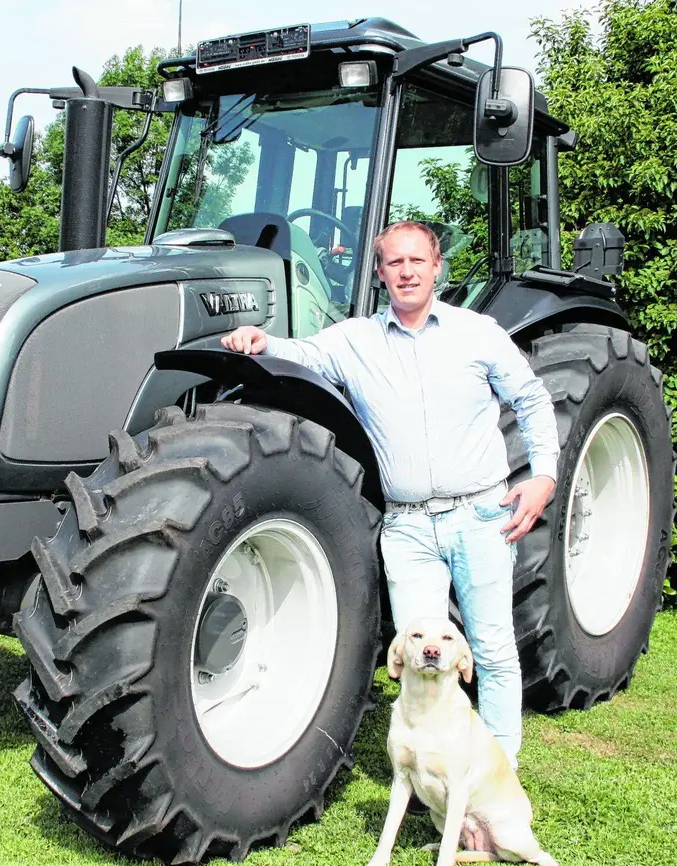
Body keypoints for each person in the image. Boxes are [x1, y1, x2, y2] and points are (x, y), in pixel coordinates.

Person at [220, 220, 559, 770]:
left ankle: (496, 777)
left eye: (417, 261)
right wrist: (260, 342)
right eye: (395, 263)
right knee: (419, 657)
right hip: (408, 528)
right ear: (380, 273)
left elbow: (532, 399)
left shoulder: (478, 333)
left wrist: (544, 475)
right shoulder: (355, 339)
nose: (407, 272)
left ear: (437, 267)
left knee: (493, 650)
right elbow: (303, 354)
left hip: (480, 516)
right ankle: (431, 773)